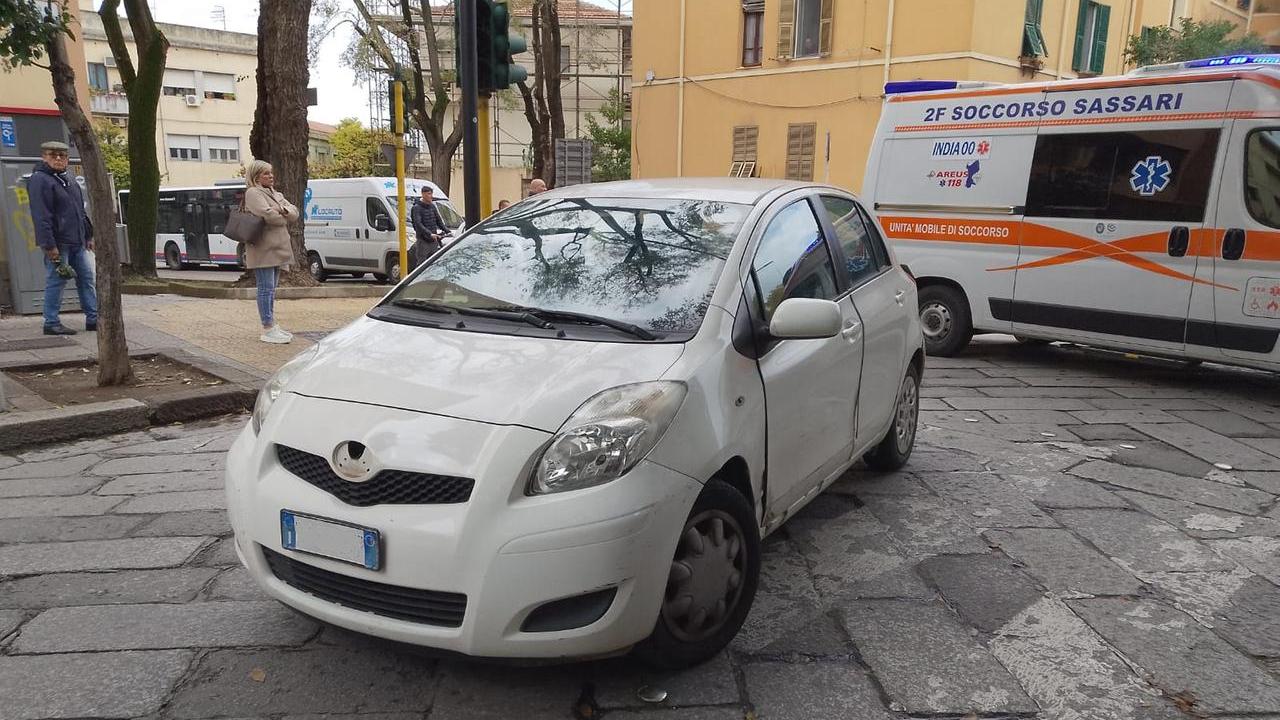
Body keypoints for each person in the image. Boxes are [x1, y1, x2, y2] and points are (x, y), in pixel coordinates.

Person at [28, 140, 97, 336]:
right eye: (53, 155)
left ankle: (93, 318)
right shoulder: (40, 180)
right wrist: (49, 245)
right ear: (44, 157)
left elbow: (80, 211)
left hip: (78, 241)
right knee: (56, 281)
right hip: (58, 243)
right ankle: (51, 322)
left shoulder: (69, 178)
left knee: (87, 279)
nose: (58, 158)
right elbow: (41, 216)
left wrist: (88, 235)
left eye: (63, 155)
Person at [243, 160, 299, 344]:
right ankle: (267, 328)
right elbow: (268, 216)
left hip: (277, 248)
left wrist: (281, 210)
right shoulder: (253, 192)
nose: (271, 176)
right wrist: (283, 214)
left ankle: (271, 324)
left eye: (271, 173)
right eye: (266, 173)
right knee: (265, 288)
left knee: (271, 289)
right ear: (256, 176)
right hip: (263, 248)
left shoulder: (276, 193)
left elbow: (294, 212)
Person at [410, 185, 448, 268]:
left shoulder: (432, 206)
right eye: (429, 194)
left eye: (431, 194)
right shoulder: (416, 208)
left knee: (434, 263)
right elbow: (418, 224)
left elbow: (439, 221)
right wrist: (429, 234)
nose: (431, 196)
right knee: (422, 263)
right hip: (423, 240)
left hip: (433, 239)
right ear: (423, 194)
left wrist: (447, 231)